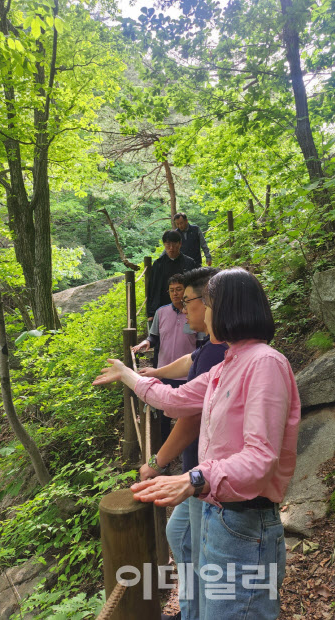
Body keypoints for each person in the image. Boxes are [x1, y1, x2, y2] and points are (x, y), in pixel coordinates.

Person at [93, 268, 300, 620]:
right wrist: (128, 375)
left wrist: (192, 479)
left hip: (246, 525)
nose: (203, 312)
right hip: (219, 515)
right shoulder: (227, 366)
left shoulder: (265, 363)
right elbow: (176, 401)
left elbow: (259, 459)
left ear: (229, 308)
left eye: (209, 304)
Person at [138, 266, 227, 620]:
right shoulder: (211, 347)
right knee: (182, 536)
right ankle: (193, 608)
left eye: (188, 299)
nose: (183, 306)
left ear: (207, 303)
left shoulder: (222, 354)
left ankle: (197, 611)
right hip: (198, 471)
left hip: (204, 475)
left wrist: (157, 464)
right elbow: (188, 362)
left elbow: (188, 417)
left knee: (196, 547)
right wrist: (156, 372)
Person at [132, 274, 201, 442]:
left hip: (187, 374)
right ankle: (165, 456)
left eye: (179, 289)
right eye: (172, 290)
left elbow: (201, 345)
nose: (175, 293)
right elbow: (154, 337)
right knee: (163, 417)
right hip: (163, 372)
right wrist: (146, 342)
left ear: (186, 291)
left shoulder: (195, 312)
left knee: (188, 417)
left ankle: (188, 453)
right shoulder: (161, 312)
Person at [147, 230, 197, 322]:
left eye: (174, 245)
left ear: (180, 244)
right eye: (168, 245)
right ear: (164, 245)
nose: (171, 248)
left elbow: (195, 287)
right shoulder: (158, 264)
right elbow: (152, 289)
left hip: (186, 308)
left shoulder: (189, 263)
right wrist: (151, 313)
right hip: (163, 307)